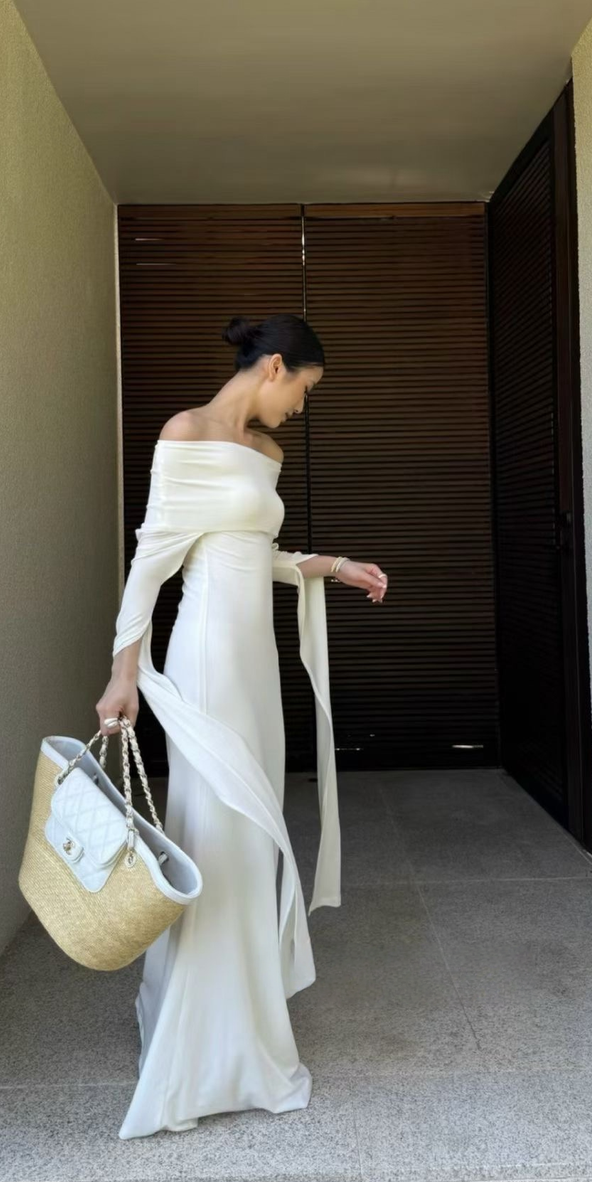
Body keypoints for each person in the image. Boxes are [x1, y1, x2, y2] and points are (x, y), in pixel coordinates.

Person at [96, 312, 389, 1138]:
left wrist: (332, 565)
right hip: (208, 659)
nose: (301, 407)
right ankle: (202, 1046)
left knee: (251, 839)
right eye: (305, 389)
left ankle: (243, 1024)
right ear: (274, 367)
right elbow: (154, 559)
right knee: (217, 833)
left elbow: (251, 552)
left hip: (256, 667)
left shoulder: (266, 453)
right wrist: (124, 672)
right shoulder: (185, 433)